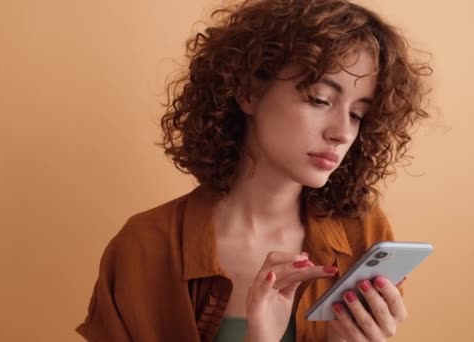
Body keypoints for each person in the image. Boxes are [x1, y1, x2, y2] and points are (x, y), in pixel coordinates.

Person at [75, 0, 431, 341]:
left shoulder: (364, 234)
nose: (342, 132)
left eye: (357, 114)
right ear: (247, 91)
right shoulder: (146, 245)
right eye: (320, 99)